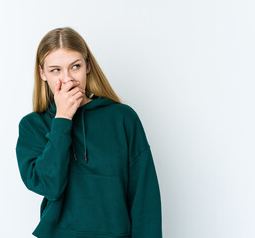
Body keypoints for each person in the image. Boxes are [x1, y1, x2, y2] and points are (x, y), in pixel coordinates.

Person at [15, 27, 163, 238]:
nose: (67, 79)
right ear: (42, 73)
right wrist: (62, 120)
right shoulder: (33, 125)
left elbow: (144, 198)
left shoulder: (122, 118)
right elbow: (49, 185)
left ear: (88, 66)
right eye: (55, 70)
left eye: (75, 66)